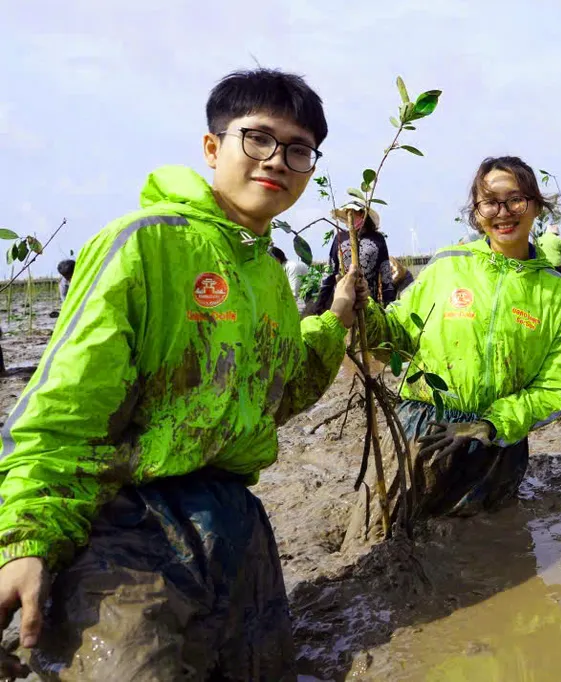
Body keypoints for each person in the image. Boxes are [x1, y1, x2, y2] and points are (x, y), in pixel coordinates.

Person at [0, 68, 367, 679]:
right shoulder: (145, 244)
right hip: (124, 523)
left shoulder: (268, 275)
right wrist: (25, 539)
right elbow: (65, 406)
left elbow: (276, 392)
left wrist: (334, 322)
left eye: (298, 150)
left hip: (232, 520)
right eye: (257, 138)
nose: (276, 161)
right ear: (212, 147)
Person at [353, 156, 561, 532]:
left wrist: (490, 425)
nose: (503, 212)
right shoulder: (447, 266)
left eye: (515, 200)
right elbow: (397, 337)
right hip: (424, 429)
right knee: (384, 531)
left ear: (536, 206)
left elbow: (554, 387)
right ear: (476, 212)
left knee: (486, 543)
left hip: (495, 446)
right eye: (490, 202)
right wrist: (363, 313)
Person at [304, 203, 395, 315]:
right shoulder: (340, 237)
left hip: (368, 302)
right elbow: (330, 271)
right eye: (347, 214)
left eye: (352, 213)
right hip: (342, 302)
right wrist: (319, 304)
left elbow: (386, 275)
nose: (349, 218)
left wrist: (389, 306)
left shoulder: (377, 239)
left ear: (362, 214)